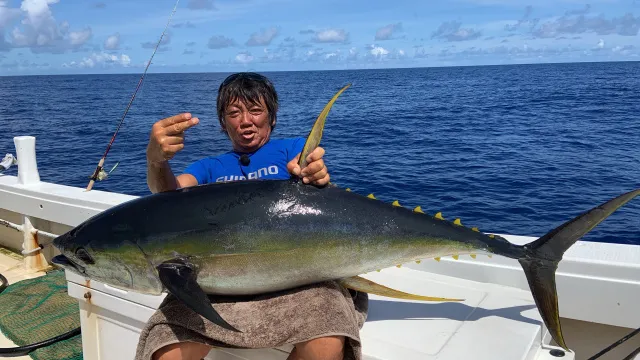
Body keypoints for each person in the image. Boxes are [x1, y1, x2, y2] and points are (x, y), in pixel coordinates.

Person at [144, 72, 344, 360]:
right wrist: (156, 160)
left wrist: (312, 170)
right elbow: (168, 195)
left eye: (255, 110)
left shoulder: (290, 149)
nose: (246, 121)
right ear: (223, 123)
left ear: (272, 117)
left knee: (325, 345)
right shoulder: (210, 167)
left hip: (296, 274)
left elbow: (307, 164)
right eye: (234, 113)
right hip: (222, 282)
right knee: (166, 353)